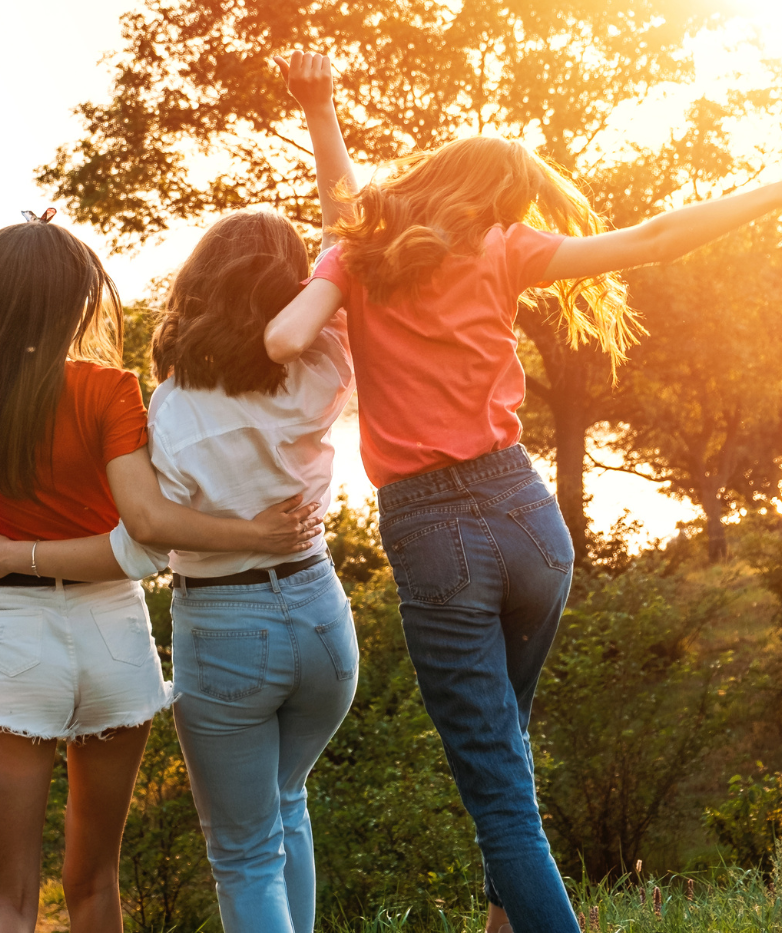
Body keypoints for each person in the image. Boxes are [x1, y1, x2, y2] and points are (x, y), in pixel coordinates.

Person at [262, 51, 782, 933]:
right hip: (531, 521)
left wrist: (322, 107)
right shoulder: (502, 249)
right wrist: (771, 190)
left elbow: (322, 246)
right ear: (493, 201)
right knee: (509, 750)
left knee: (498, 792)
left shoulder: (360, 252)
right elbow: (654, 237)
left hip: (435, 532)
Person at [0, 140, 321, 933]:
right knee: (95, 884)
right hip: (113, 635)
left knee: (4, 902)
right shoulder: (110, 390)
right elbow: (148, 528)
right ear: (76, 301)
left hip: (16, 633)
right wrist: (254, 530)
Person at [0, 208, 358, 933]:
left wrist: (15, 556)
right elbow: (347, 249)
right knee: (282, 808)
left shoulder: (171, 406)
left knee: (240, 853)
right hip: (318, 614)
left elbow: (143, 537)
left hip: (222, 625)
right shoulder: (325, 365)